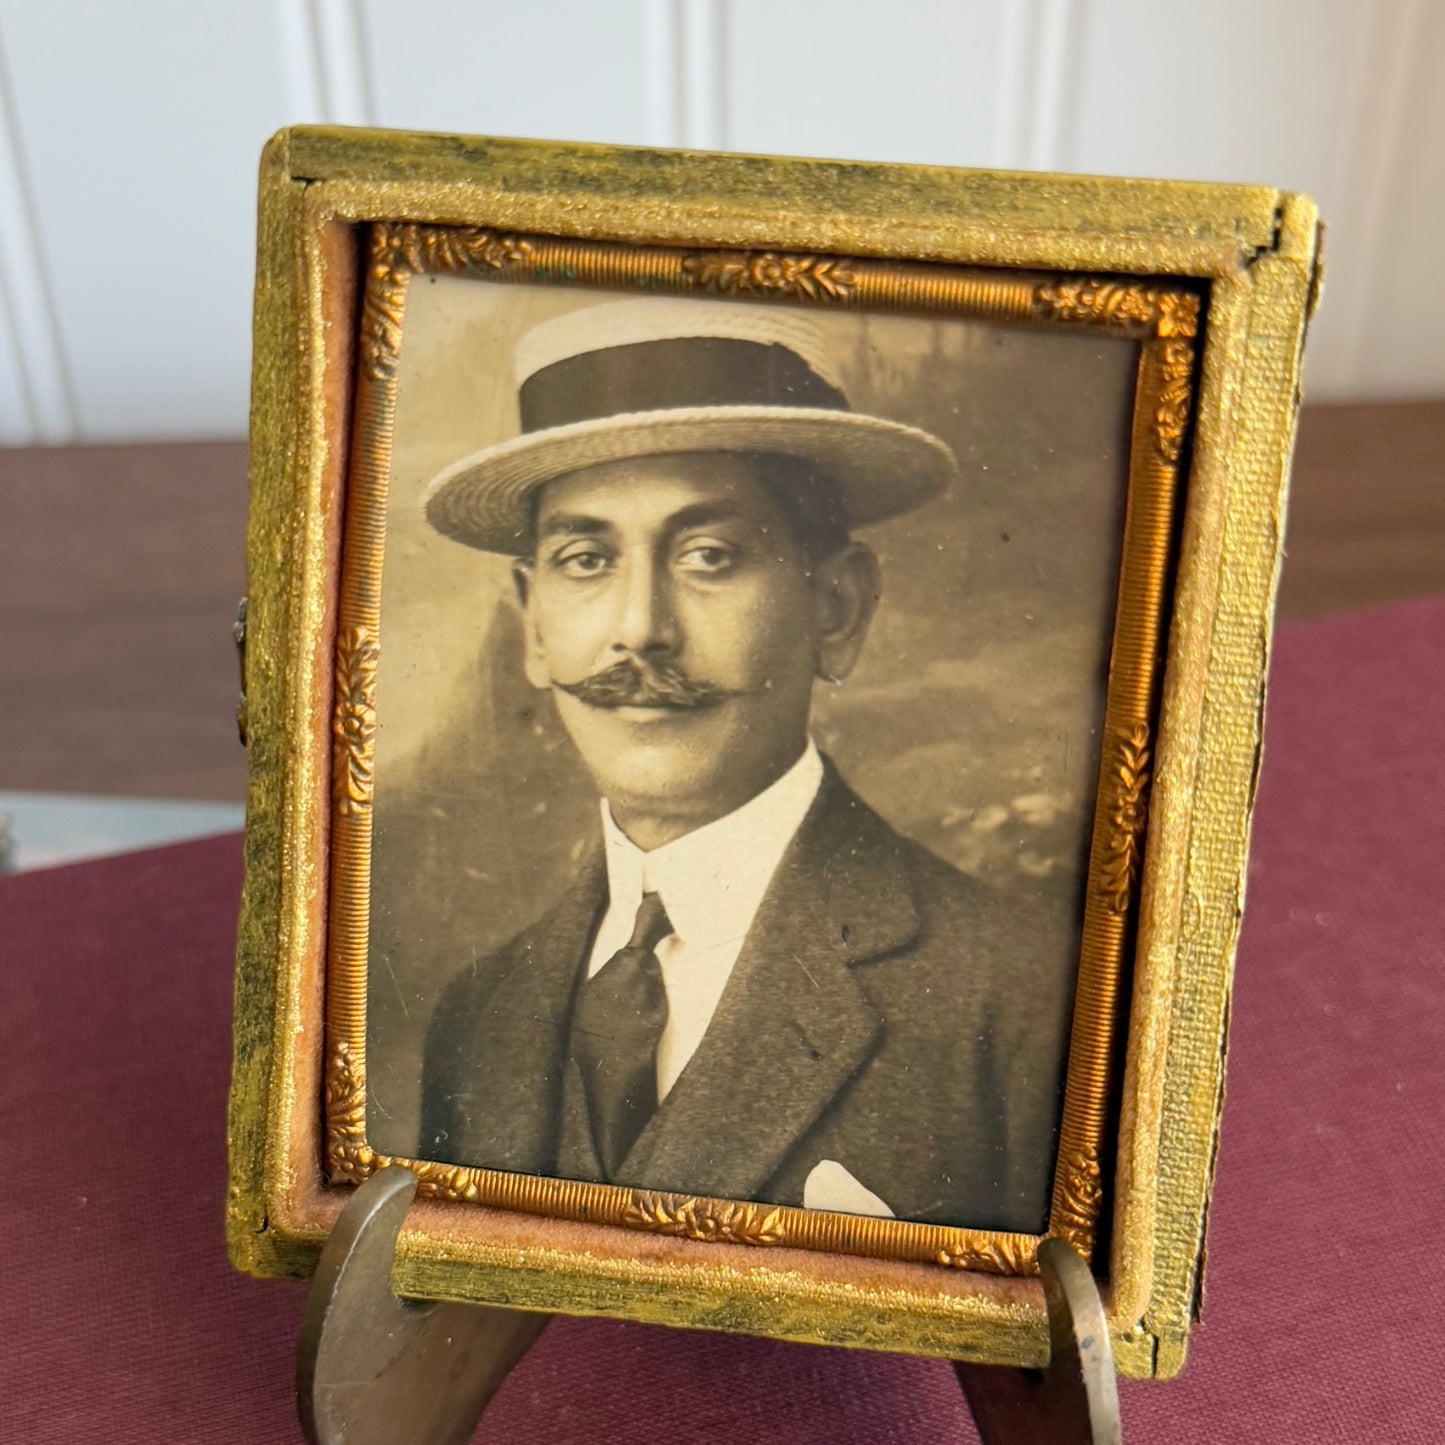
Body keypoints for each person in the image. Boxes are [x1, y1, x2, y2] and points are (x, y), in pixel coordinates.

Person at [415, 298, 1073, 1233]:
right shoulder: (479, 1012)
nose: (639, 628)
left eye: (709, 555)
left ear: (836, 608)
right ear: (532, 623)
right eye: (586, 558)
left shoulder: (1017, 998)